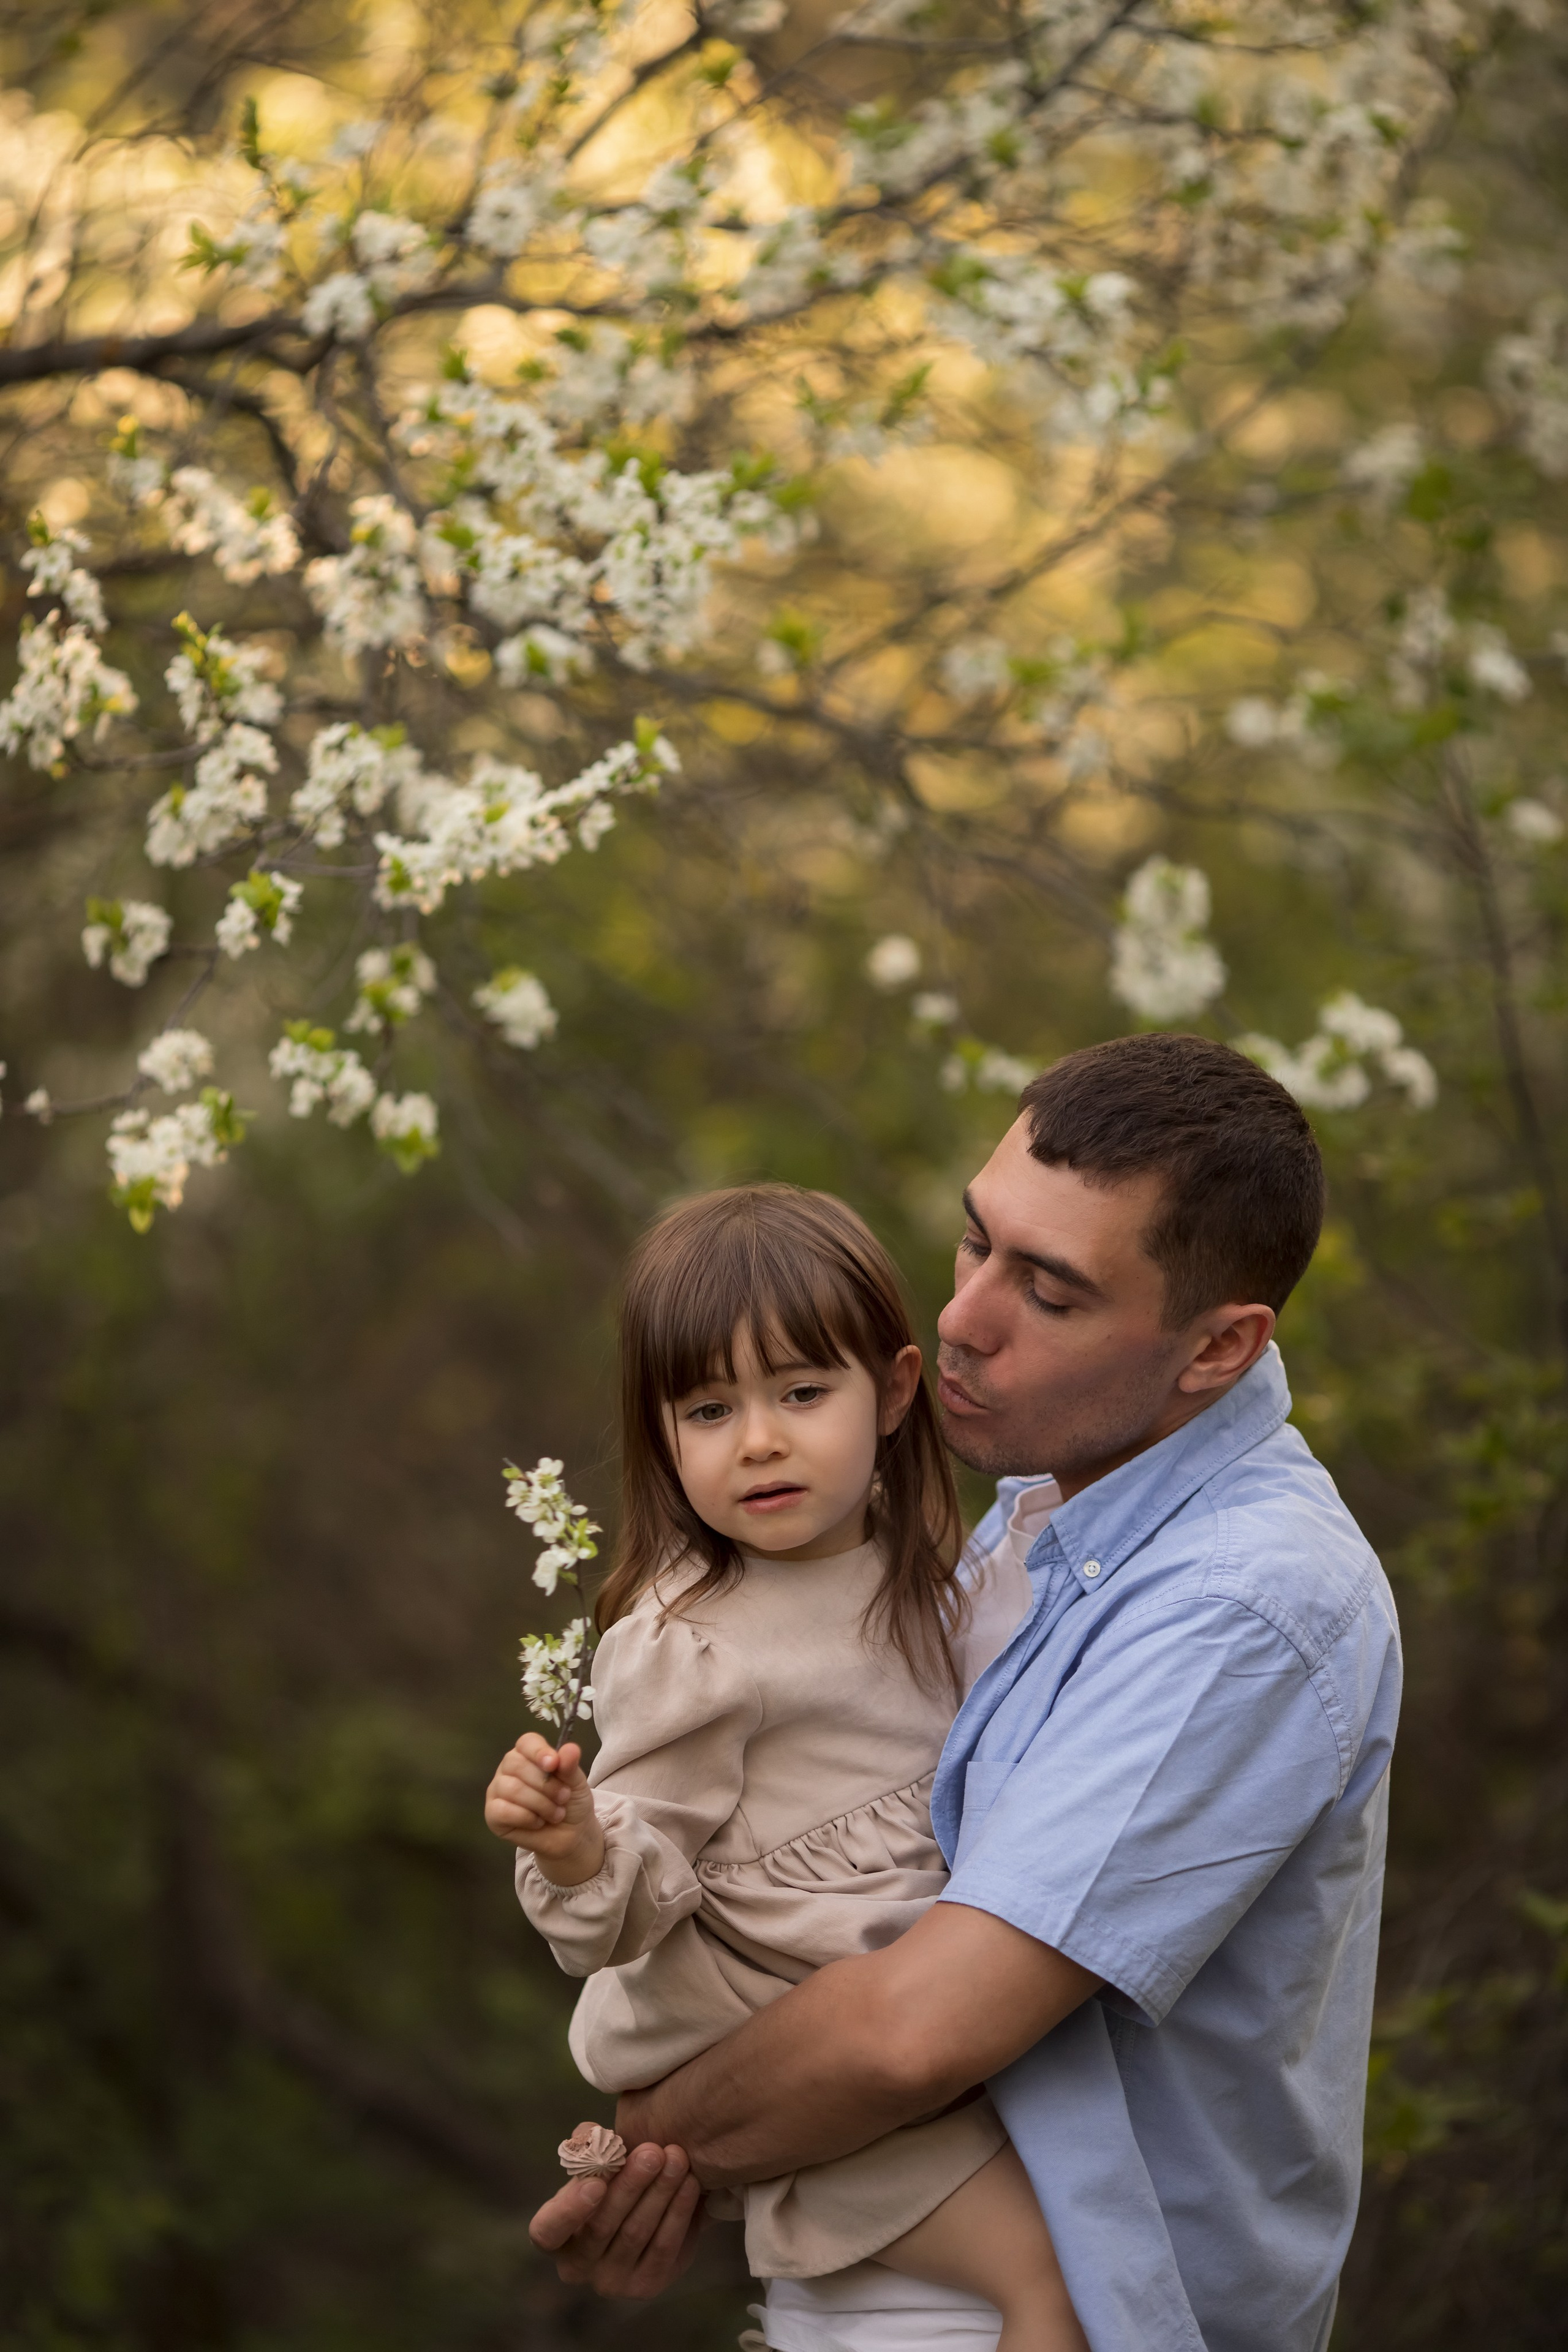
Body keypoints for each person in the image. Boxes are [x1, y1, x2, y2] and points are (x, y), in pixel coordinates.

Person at [526, 1033, 1404, 2352]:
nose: (959, 1319)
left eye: (1046, 1293)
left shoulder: (1237, 1603)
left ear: (1216, 1348)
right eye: (974, 1242)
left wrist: (649, 2148)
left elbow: (906, 2035)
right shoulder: (1047, 1511)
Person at [486, 1183, 1088, 2348]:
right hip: (804, 2045)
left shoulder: (921, 1573)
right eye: (708, 1410)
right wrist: (575, 1843)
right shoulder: (691, 1636)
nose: (759, 1439)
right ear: (664, 1434)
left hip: (909, 2007)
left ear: (897, 1390)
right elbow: (645, 1876)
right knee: (1055, 2290)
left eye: (803, 1393)